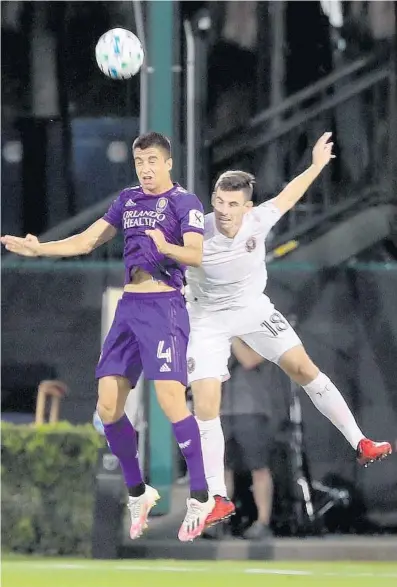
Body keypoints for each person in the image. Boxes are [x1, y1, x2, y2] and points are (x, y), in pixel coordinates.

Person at [1, 131, 215, 543]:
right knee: (108, 405)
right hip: (129, 309)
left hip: (165, 307)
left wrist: (165, 246)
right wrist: (39, 249)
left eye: (152, 160)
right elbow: (86, 240)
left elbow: (196, 255)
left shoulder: (184, 203)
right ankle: (138, 491)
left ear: (168, 162)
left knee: (171, 400)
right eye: (139, 162)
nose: (146, 168)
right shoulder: (128, 200)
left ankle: (202, 495)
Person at [185, 132, 392, 528]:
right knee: (206, 405)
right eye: (219, 202)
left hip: (251, 309)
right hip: (207, 319)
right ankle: (217, 498)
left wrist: (315, 165)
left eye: (233, 204)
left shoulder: (258, 220)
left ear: (247, 207)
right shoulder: (198, 231)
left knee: (304, 368)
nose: (224, 210)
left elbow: (288, 196)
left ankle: (361, 442)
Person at [220, 343, 278, 540]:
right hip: (222, 410)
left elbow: (249, 360)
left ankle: (263, 522)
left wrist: (232, 334)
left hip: (253, 411)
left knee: (258, 467)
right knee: (223, 469)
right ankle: (220, 521)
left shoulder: (258, 334)